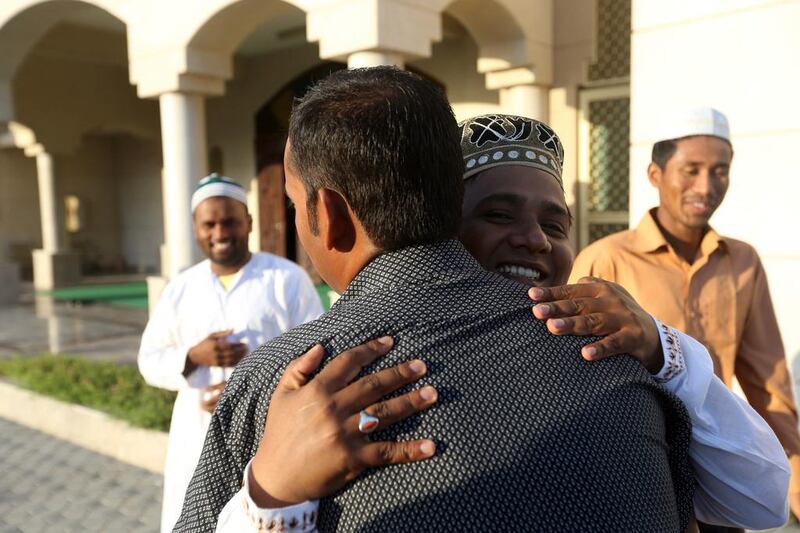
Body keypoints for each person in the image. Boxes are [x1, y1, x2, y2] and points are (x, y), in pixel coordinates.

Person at [175, 67, 695, 532]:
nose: (536, 240)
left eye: (294, 203)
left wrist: (269, 499)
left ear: (329, 215)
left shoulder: (286, 384)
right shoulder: (611, 354)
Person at [570, 107, 800, 531]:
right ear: (655, 173)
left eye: (720, 171)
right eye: (691, 170)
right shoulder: (605, 259)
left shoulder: (742, 261)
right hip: (642, 478)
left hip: (722, 477)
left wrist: (793, 476)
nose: (706, 186)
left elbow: (767, 382)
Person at [137, 174, 323, 532]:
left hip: (269, 435)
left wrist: (250, 392)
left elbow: (316, 354)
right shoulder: (181, 288)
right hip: (195, 434)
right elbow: (149, 360)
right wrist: (193, 356)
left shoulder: (286, 279)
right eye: (209, 224)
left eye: (230, 221)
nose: (220, 232)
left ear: (249, 223)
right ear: (196, 228)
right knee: (193, 516)